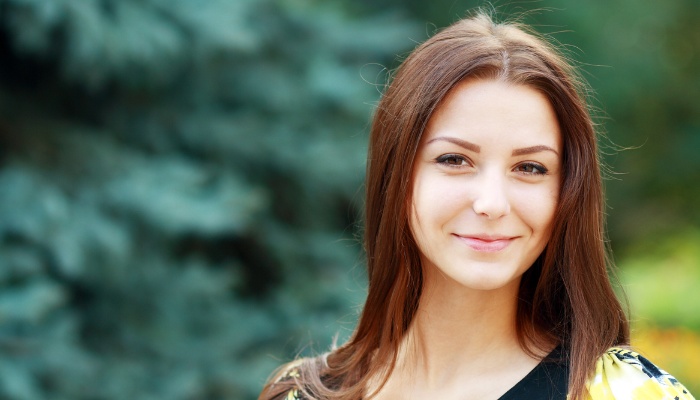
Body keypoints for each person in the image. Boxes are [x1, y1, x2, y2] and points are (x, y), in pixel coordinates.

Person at [259, 11, 695, 400]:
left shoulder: (623, 393)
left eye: (530, 167)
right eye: (454, 160)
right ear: (397, 177)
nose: (492, 203)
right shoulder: (301, 394)